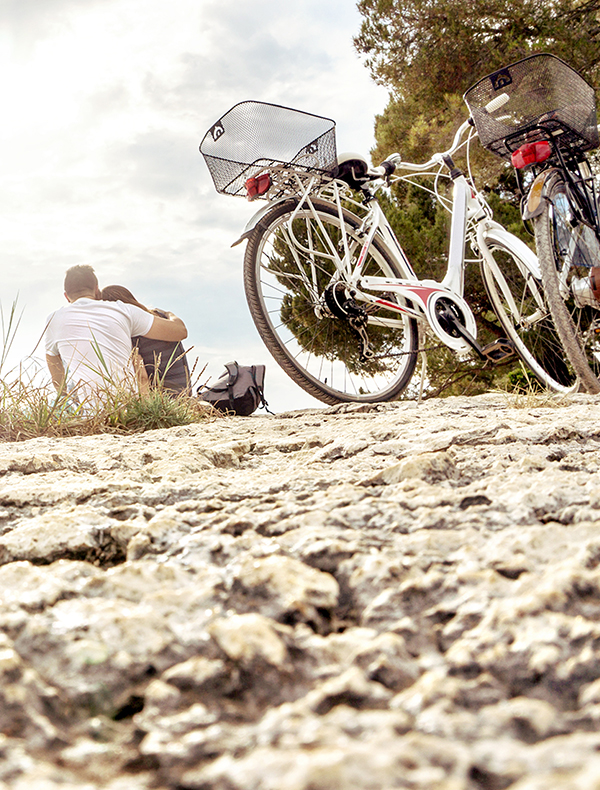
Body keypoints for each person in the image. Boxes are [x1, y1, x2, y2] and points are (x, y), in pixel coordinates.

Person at [45, 265, 187, 402]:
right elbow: (179, 331)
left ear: (66, 296)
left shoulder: (52, 320)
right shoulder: (123, 310)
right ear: (96, 290)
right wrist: (168, 314)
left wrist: (69, 399)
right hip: (128, 410)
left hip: (87, 415)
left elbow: (58, 379)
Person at [100, 284, 191, 395]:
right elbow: (182, 329)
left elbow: (142, 377)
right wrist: (168, 313)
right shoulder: (161, 318)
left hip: (162, 403)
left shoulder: (132, 334)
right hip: (185, 396)